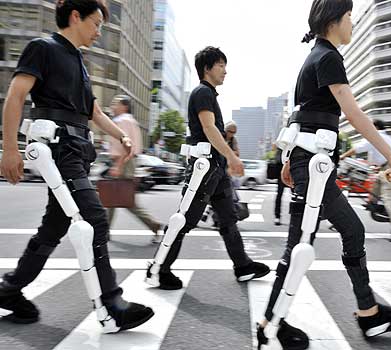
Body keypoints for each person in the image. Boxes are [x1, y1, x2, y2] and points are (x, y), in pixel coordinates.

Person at [256, 1, 391, 349]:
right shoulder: (328, 57)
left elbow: (300, 115)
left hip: (309, 162)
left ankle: (367, 310)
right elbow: (354, 114)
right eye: (349, 18)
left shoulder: (315, 56)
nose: (352, 24)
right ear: (334, 21)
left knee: (336, 233)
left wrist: (288, 160)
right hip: (313, 164)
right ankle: (271, 323)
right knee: (301, 246)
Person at [0, 0, 154, 330]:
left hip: (77, 151)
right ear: (75, 17)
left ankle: (9, 290)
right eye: (96, 23)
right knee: (94, 216)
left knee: (54, 227)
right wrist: (10, 150)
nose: (100, 31)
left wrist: (122, 137)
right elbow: (15, 96)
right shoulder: (43, 48)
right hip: (59, 149)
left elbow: (94, 113)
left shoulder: (79, 63)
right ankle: (112, 303)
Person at [146, 47, 270, 290]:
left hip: (215, 169)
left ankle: (243, 266)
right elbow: (209, 128)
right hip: (204, 169)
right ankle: (159, 268)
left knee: (228, 219)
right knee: (185, 219)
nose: (225, 70)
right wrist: (232, 158)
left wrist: (226, 161)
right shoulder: (203, 92)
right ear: (207, 68)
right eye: (221, 65)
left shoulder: (209, 94)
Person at [107, 95, 162, 243]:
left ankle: (103, 232)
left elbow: (126, 146)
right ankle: (104, 231)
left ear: (124, 106)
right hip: (128, 161)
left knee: (119, 200)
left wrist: (118, 165)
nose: (112, 106)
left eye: (115, 103)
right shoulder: (131, 120)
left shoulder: (122, 121)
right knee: (117, 200)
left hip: (123, 161)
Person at [340, 119, 391, 241]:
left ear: (375, 127)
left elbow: (357, 148)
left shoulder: (375, 136)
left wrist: (342, 156)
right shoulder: (388, 138)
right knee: (374, 190)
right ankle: (373, 206)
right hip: (386, 167)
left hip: (389, 169)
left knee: (388, 197)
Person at [273, 146, 286, 225]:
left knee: (297, 196)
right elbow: (277, 159)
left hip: (293, 171)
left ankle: (297, 217)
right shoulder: (281, 145)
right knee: (279, 194)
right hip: (282, 172)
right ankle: (277, 216)